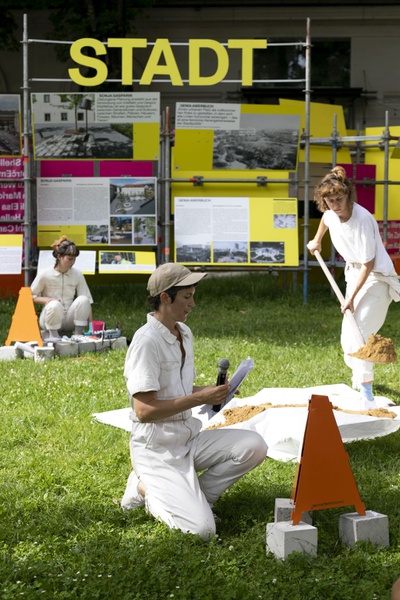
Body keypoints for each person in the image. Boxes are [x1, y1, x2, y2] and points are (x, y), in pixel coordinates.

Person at [121, 262, 267, 540]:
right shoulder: (146, 342)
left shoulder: (184, 333)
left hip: (188, 438)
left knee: (254, 446)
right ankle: (145, 489)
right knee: (202, 532)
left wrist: (213, 391)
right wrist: (199, 397)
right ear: (165, 298)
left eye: (193, 296)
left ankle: (200, 499)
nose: (193, 304)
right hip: (156, 449)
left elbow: (178, 388)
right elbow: (144, 410)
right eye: (187, 297)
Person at [307, 166, 400, 408]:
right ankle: (359, 378)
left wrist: (350, 299)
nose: (335, 205)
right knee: (348, 336)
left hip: (377, 278)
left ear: (348, 195)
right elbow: (325, 220)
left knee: (360, 331)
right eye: (330, 201)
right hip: (354, 274)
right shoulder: (330, 213)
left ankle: (367, 391)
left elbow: (368, 264)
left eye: (339, 199)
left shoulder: (363, 219)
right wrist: (317, 240)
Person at [31, 236, 93, 341]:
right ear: (59, 256)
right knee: (54, 304)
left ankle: (78, 334)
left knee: (83, 299)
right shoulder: (45, 274)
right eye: (69, 259)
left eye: (74, 259)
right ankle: (53, 335)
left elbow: (87, 301)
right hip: (49, 318)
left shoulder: (77, 274)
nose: (72, 262)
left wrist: (92, 327)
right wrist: (47, 300)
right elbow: (31, 295)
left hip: (69, 319)